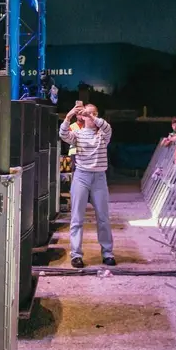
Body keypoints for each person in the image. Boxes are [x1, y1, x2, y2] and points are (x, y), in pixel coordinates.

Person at [60, 102, 115, 268]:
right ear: (81, 117)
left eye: (93, 113)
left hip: (99, 178)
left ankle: (107, 253)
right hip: (81, 177)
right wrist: (69, 115)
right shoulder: (77, 134)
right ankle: (76, 255)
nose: (89, 116)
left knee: (103, 217)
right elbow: (63, 134)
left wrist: (91, 115)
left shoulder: (102, 135)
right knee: (77, 218)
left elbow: (107, 127)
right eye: (85, 114)